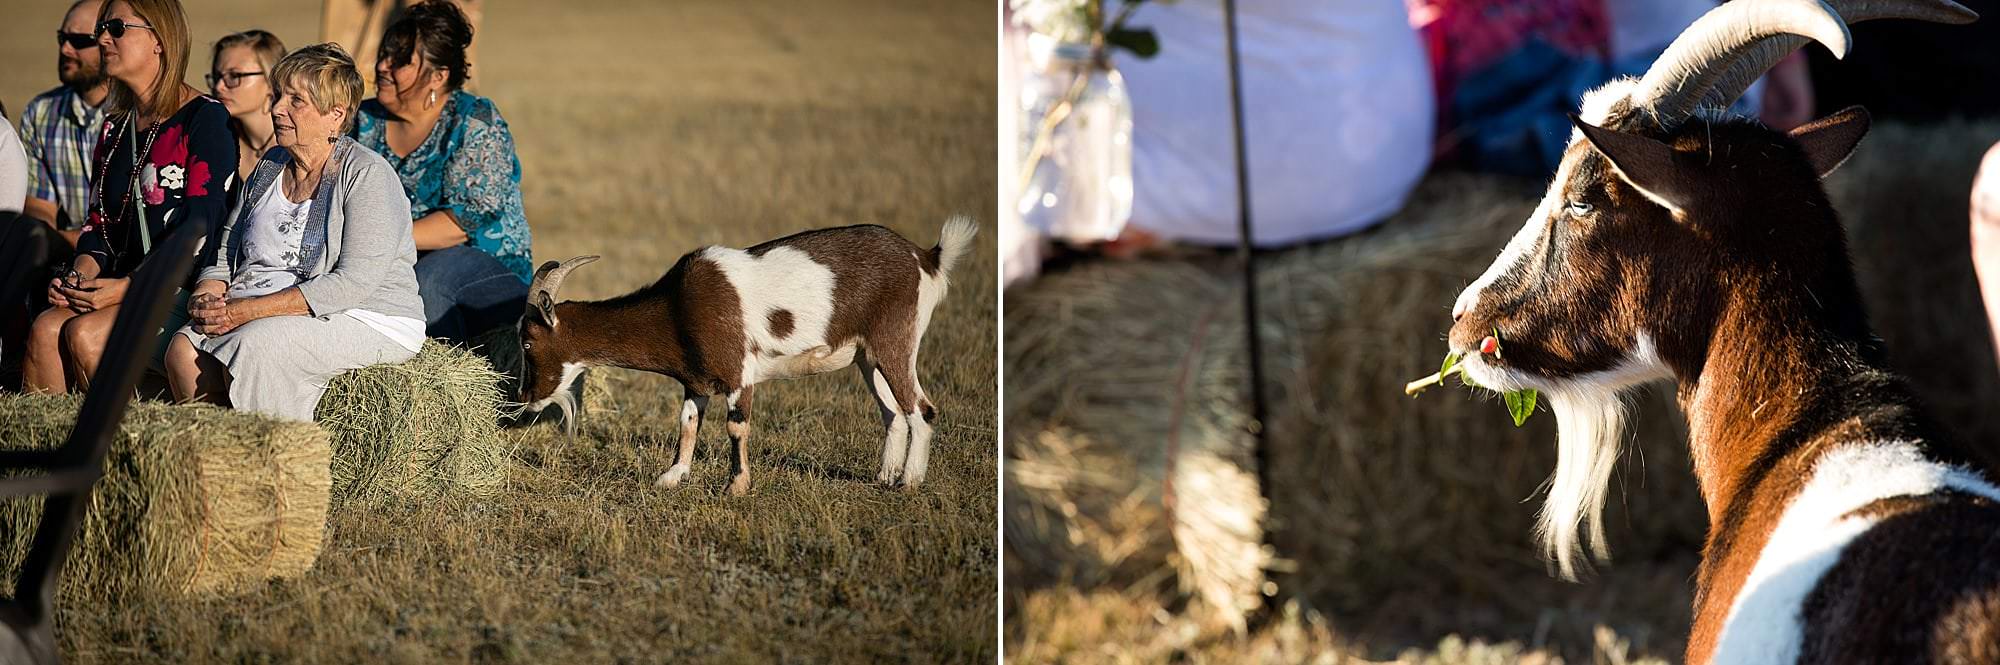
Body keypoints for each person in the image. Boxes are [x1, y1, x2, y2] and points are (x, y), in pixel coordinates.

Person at [166, 43, 424, 422]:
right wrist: (209, 293)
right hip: (258, 304)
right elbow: (227, 247)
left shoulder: (367, 176)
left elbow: (353, 284)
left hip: (366, 315)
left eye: (296, 101)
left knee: (255, 347)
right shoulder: (272, 164)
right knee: (183, 349)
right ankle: (221, 463)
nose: (277, 109)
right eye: (279, 95)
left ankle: (277, 461)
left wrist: (247, 312)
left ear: (335, 115)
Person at [22, 0, 237, 394]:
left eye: (117, 28)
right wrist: (78, 277)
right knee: (45, 328)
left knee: (86, 335)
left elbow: (201, 226)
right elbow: (99, 225)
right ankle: (49, 451)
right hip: (118, 284)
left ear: (159, 39)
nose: (103, 38)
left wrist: (128, 286)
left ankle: (120, 451)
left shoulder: (207, 118)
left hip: (179, 290)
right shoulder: (115, 128)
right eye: (102, 28)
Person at [352, 0, 531, 344]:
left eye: (401, 60)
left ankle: (449, 389)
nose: (383, 66)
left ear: (438, 76)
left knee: (429, 279)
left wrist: (374, 245)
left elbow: (460, 225)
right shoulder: (362, 122)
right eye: (385, 53)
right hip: (391, 261)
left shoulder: (476, 122)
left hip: (485, 275)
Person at [3, 0, 112, 387]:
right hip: (67, 255)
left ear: (110, 44)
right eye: (61, 38)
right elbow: (39, 216)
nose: (65, 49)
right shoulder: (41, 112)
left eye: (78, 40)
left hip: (117, 261)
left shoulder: (135, 116)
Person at [207, 30, 286, 189]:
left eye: (234, 76)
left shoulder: (298, 146)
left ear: (271, 80)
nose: (219, 87)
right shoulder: (217, 142)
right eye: (216, 77)